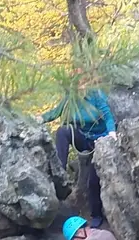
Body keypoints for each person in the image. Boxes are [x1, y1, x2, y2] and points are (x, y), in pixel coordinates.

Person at [42, 87, 114, 221]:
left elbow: (108, 116)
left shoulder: (96, 94)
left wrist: (111, 135)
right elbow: (55, 112)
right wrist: (36, 119)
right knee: (62, 131)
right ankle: (60, 172)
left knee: (92, 181)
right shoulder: (71, 96)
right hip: (82, 136)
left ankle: (96, 215)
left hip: (99, 140)